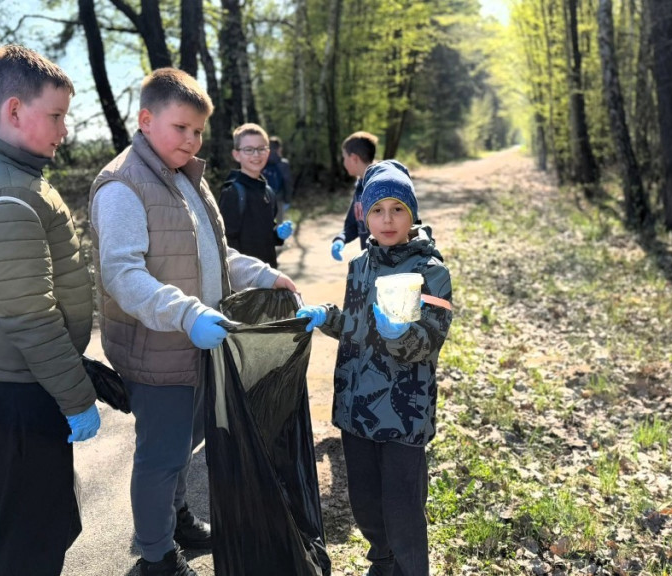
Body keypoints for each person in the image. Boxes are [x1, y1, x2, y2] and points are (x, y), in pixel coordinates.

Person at [88, 68, 298, 576]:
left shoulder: (185, 178)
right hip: (157, 349)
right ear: (145, 120)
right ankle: (156, 557)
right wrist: (187, 313)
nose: (191, 139)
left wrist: (264, 274)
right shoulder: (123, 186)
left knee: (183, 446)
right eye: (180, 127)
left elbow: (215, 254)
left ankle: (177, 520)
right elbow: (122, 274)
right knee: (160, 457)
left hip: (198, 343)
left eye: (199, 131)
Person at [0, 45, 100, 576]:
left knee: (18, 524)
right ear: (14, 111)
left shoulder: (12, 174)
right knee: (29, 547)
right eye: (56, 115)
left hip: (18, 386)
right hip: (16, 396)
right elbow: (30, 316)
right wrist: (77, 397)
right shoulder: (9, 193)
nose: (64, 129)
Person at [296, 160, 453, 576]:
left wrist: (402, 333)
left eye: (397, 209)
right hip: (356, 408)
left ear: (412, 215)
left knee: (403, 508)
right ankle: (382, 561)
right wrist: (327, 316)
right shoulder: (359, 267)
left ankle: (409, 568)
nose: (387, 219)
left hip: (404, 413)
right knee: (365, 502)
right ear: (363, 215)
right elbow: (355, 328)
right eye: (377, 209)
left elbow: (430, 341)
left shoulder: (431, 273)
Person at [219, 123, 294, 268]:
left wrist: (278, 234)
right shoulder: (232, 192)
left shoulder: (268, 191)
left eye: (261, 149)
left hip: (269, 275)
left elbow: (265, 234)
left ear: (268, 152)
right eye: (248, 150)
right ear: (236, 154)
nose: (256, 155)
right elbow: (225, 244)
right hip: (244, 281)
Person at [330, 131, 379, 262]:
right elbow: (352, 224)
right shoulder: (360, 187)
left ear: (354, 158)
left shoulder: (382, 187)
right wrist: (341, 239)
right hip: (370, 264)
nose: (343, 162)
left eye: (344, 157)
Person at [263, 135, 294, 219]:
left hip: (263, 200)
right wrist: (287, 200)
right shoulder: (283, 164)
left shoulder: (261, 162)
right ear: (279, 148)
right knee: (279, 226)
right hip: (278, 199)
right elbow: (287, 183)